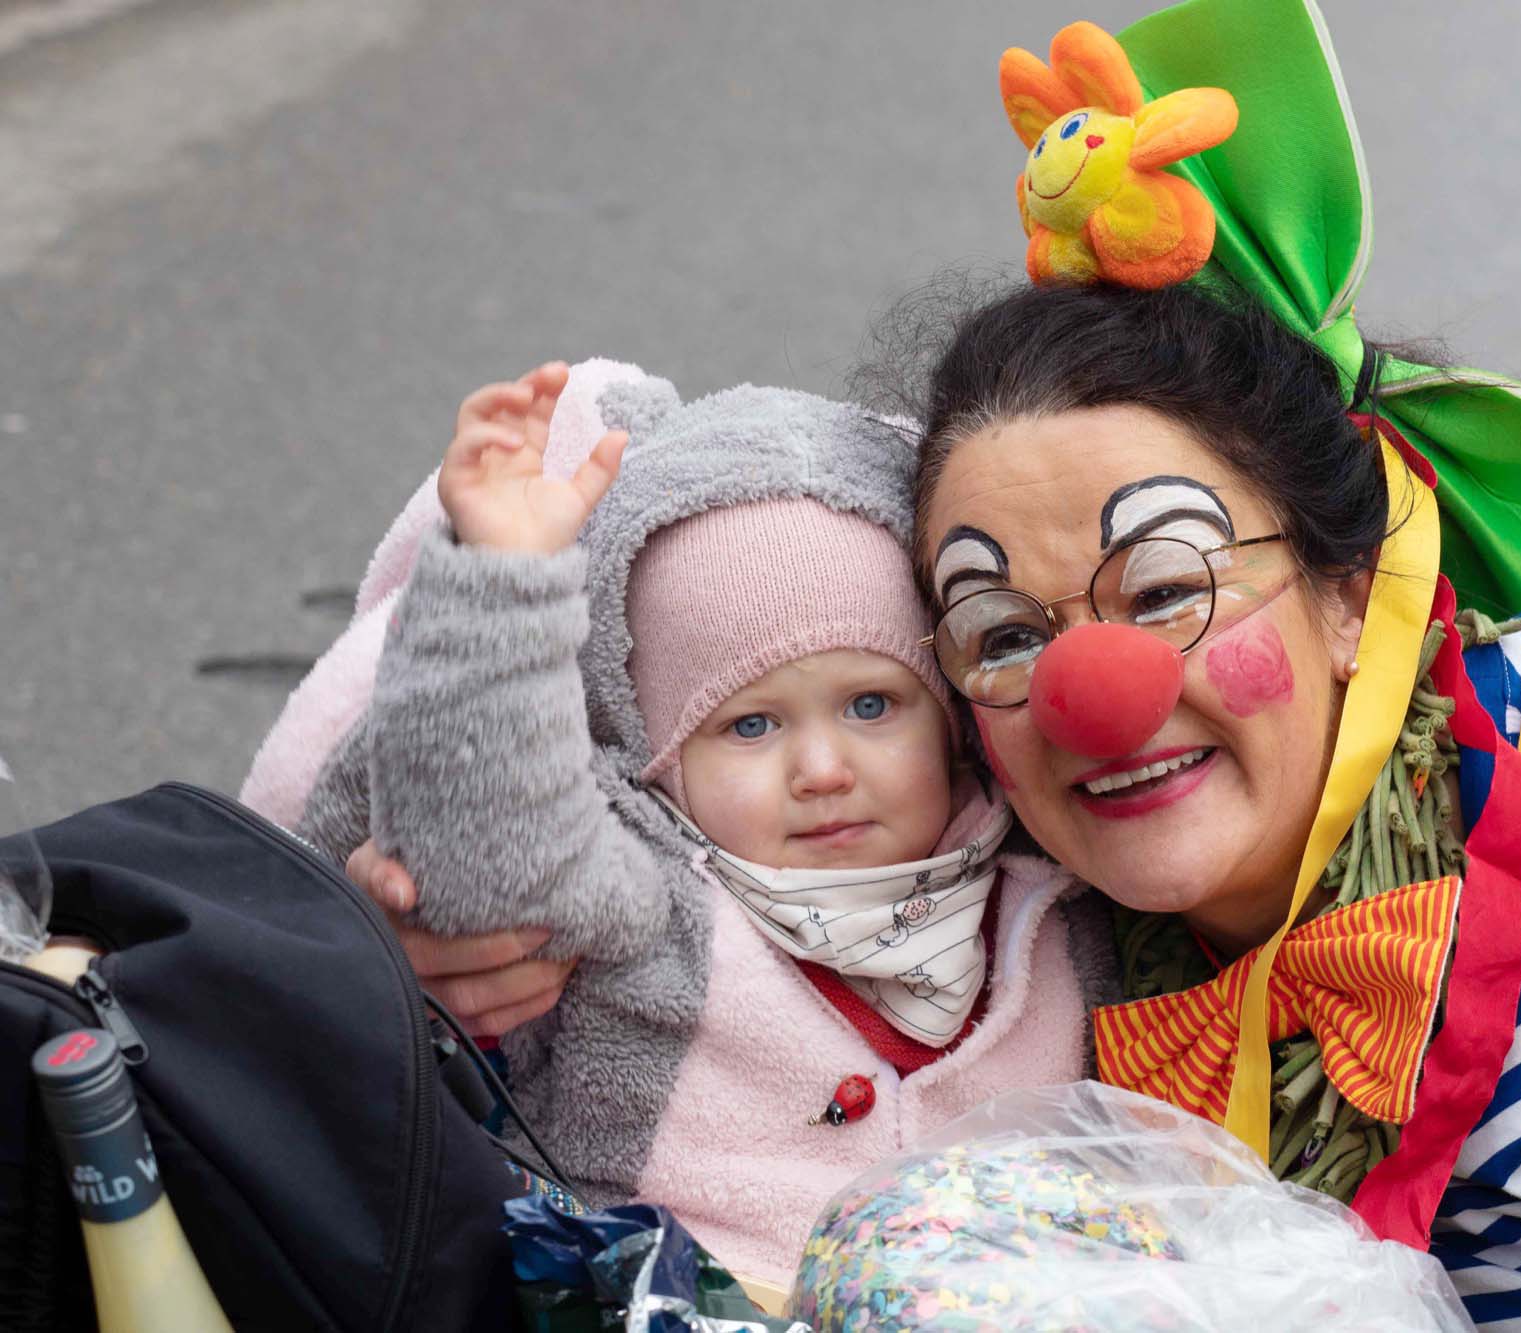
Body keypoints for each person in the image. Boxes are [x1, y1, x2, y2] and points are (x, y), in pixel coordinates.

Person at [259, 1, 1521, 1324]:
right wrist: (420, 962)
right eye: (1003, 631)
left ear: (1350, 590)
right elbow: (674, 906)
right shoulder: (1032, 907)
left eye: (1163, 585)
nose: (1093, 690)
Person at [290, 363, 1094, 1288]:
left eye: (872, 704)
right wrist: (502, 590)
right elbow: (488, 849)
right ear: (659, 759)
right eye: (749, 726)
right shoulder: (649, 895)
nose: (823, 769)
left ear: (949, 720)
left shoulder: (1052, 883)